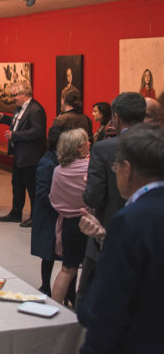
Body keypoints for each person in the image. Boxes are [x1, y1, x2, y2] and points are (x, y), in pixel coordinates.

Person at [79, 123, 164, 353]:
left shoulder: (129, 220)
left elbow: (110, 306)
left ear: (127, 169)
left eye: (115, 167)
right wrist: (105, 237)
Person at [77, 92, 146, 315]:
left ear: (116, 117)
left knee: (93, 301)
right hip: (150, 234)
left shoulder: (105, 149)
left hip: (107, 231)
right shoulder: (156, 143)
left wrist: (88, 184)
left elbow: (93, 197)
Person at [0, 80, 47, 227]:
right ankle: (16, 213)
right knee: (17, 185)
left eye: (15, 95)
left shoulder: (36, 109)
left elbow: (38, 131)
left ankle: (35, 217)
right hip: (19, 155)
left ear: (24, 94)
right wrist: (2, 118)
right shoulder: (20, 108)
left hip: (31, 157)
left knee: (32, 188)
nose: (12, 98)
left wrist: (15, 135)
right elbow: (17, 122)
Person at [48, 128, 90, 305]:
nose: (90, 143)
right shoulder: (90, 167)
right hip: (90, 222)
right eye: (88, 141)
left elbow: (53, 198)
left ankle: (55, 306)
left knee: (67, 269)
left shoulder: (59, 170)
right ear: (80, 147)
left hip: (69, 224)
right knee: (90, 269)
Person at [30, 126, 65, 297]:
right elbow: (42, 193)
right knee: (48, 252)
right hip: (49, 213)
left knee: (57, 253)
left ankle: (65, 292)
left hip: (56, 211)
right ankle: (45, 286)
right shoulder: (47, 162)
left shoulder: (59, 159)